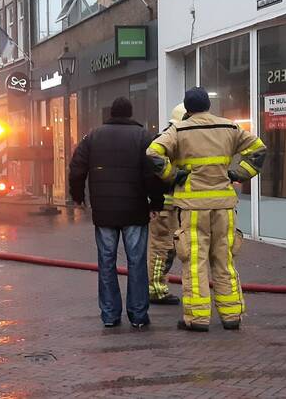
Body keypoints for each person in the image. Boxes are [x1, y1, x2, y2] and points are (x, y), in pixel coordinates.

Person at [147, 87, 266, 332]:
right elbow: (259, 150)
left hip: (192, 208)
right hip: (223, 206)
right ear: (208, 106)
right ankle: (232, 315)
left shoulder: (178, 130)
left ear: (187, 108)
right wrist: (237, 174)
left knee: (194, 262)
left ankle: (197, 318)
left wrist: (172, 176)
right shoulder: (229, 128)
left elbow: (153, 154)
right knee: (225, 261)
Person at [69, 97, 164, 329]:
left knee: (107, 262)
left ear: (110, 113)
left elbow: (76, 168)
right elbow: (153, 172)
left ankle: (110, 315)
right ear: (130, 114)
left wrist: (79, 196)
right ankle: (138, 315)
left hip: (104, 211)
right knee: (136, 262)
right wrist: (156, 201)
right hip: (135, 210)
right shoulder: (143, 137)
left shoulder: (93, 136)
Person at [147, 104, 185, 306]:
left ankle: (157, 287)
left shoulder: (167, 140)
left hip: (171, 206)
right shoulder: (165, 143)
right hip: (164, 208)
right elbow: (155, 176)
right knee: (162, 248)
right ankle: (156, 290)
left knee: (168, 248)